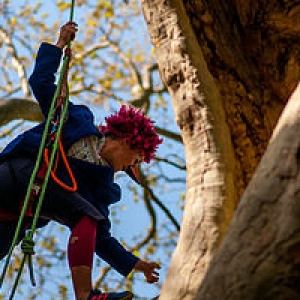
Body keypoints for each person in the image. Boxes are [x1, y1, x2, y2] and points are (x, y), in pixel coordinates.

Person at [0, 22, 162, 300]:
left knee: (91, 219)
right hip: (14, 178)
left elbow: (100, 238)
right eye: (134, 160)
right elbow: (41, 83)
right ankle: (85, 296)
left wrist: (135, 263)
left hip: (13, 218)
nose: (128, 169)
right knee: (89, 215)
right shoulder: (78, 121)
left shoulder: (100, 192)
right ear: (127, 139)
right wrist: (59, 44)